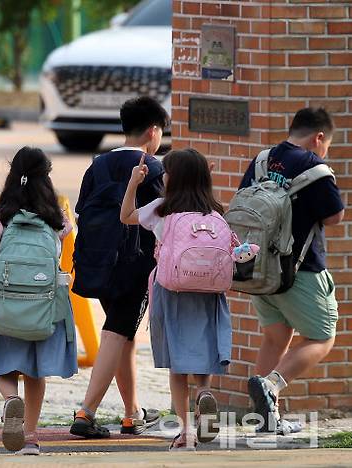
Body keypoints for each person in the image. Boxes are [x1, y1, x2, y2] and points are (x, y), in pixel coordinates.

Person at [238, 108, 345, 433]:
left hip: (257, 268)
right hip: (300, 270)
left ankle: (266, 419)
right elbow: (333, 217)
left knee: (275, 337)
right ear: (319, 137)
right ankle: (271, 385)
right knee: (322, 336)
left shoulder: (262, 160)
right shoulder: (316, 169)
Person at [120, 149, 232, 451]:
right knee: (203, 354)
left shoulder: (162, 210)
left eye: (166, 172)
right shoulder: (215, 213)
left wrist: (134, 182)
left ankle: (186, 433)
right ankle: (205, 394)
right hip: (209, 294)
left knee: (177, 365)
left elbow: (126, 216)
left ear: (174, 178)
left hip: (172, 290)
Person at [70, 97, 168, 438]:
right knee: (116, 334)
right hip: (134, 267)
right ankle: (86, 412)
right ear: (153, 131)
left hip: (97, 263)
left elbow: (81, 213)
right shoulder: (152, 170)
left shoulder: (96, 166)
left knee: (122, 336)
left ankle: (132, 413)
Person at [0, 147, 78, 455]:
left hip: (7, 306)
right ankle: (32, 437)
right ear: (46, 177)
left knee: (2, 368)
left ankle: (11, 401)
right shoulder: (57, 217)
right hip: (43, 308)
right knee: (36, 373)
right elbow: (61, 250)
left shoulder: (1, 216)